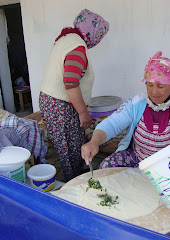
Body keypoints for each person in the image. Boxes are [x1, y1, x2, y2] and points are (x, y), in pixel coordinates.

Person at [81, 51, 170, 240]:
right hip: (137, 157)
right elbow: (112, 123)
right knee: (106, 167)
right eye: (149, 84)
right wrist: (94, 141)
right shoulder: (137, 103)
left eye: (161, 86)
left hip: (167, 167)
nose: (154, 91)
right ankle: (115, 215)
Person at [39, 9, 109, 182]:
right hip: (60, 106)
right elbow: (70, 82)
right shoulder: (76, 46)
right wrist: (83, 112)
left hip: (55, 103)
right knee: (69, 149)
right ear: (92, 32)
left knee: (71, 145)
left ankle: (77, 175)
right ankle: (74, 184)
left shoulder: (67, 39)